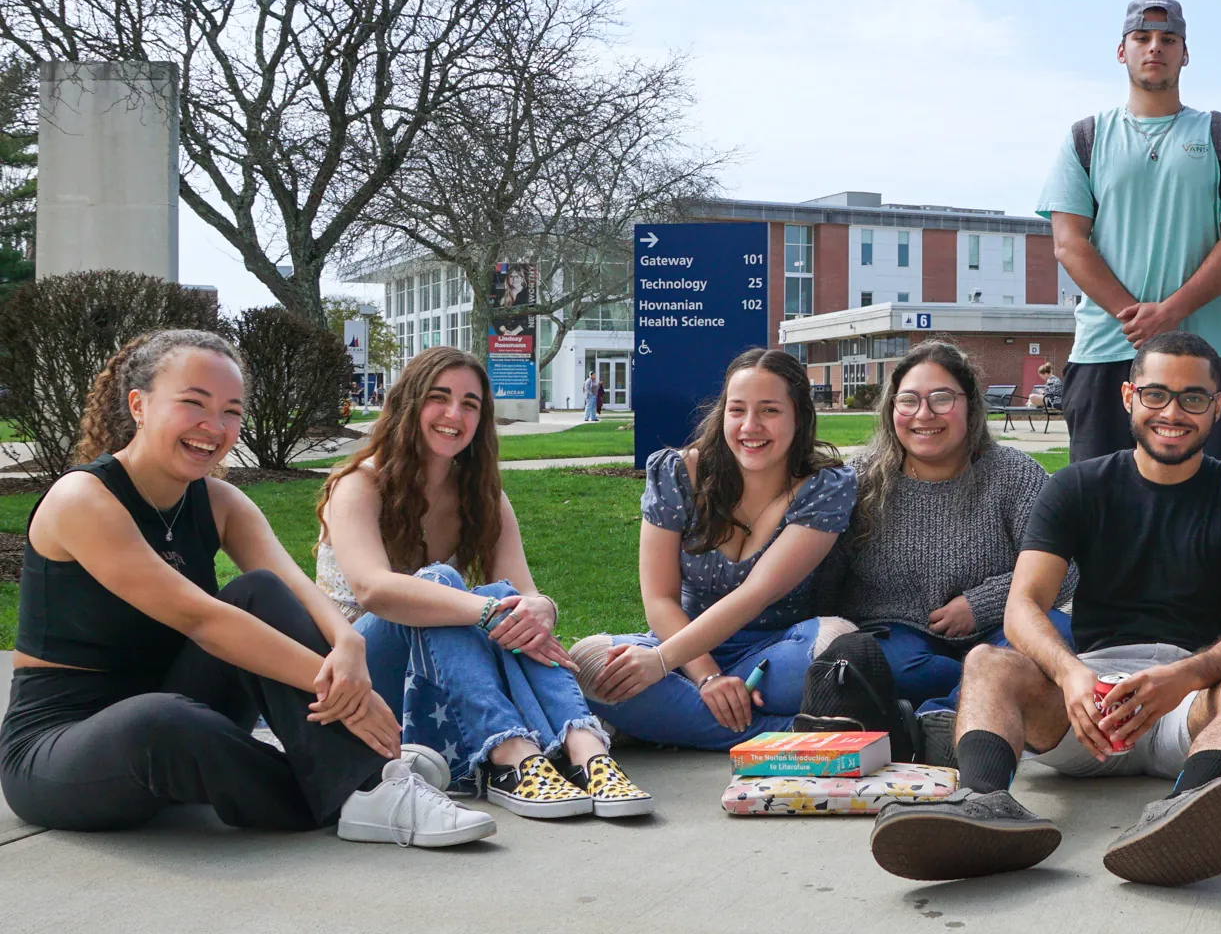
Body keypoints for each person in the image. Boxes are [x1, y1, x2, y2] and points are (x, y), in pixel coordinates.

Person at [0, 329, 493, 848]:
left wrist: (348, 644)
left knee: (257, 591)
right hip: (61, 744)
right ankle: (362, 783)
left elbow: (297, 589)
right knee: (160, 720)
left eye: (232, 411)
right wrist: (351, 696)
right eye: (194, 403)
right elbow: (204, 621)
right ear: (139, 406)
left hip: (178, 702)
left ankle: (365, 779)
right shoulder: (82, 499)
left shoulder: (220, 501)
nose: (214, 427)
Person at [868, 332, 1221, 888]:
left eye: (1193, 398)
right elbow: (1023, 605)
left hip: (1193, 702)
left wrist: (1182, 676)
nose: (1172, 412)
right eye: (1156, 394)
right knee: (987, 663)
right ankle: (983, 803)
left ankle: (1189, 808)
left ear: (1218, 407)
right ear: (1127, 396)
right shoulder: (1077, 487)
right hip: (1093, 699)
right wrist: (1070, 673)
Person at [315, 346, 650, 819]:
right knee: (445, 586)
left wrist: (541, 608)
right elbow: (374, 589)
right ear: (410, 404)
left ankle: (586, 749)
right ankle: (512, 757)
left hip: (435, 677)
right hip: (358, 681)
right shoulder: (360, 485)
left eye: (469, 404)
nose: (454, 414)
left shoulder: (481, 496)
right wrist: (487, 610)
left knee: (507, 601)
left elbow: (523, 592)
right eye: (439, 397)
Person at [567, 348, 857, 750]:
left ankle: (672, 720)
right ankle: (793, 732)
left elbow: (757, 594)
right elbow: (659, 597)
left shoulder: (826, 488)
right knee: (590, 664)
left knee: (839, 648)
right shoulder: (676, 472)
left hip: (777, 653)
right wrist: (706, 675)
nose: (750, 426)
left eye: (770, 410)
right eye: (737, 410)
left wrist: (663, 667)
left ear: (799, 417)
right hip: (681, 649)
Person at [1038, 0, 1221, 471]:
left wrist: (1171, 313)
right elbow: (1069, 242)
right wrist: (1137, 318)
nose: (1154, 48)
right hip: (1106, 352)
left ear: (1185, 52)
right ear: (1122, 51)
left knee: (1217, 513)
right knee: (1101, 510)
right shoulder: (1087, 137)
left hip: (1212, 353)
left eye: (1168, 39)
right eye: (1142, 38)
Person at [810, 342, 1073, 750]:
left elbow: (1067, 570)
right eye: (909, 400)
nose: (924, 414)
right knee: (889, 665)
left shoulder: (1013, 474)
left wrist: (982, 603)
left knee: (1057, 633)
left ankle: (940, 718)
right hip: (898, 638)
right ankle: (993, 699)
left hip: (1002, 629)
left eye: (942, 399)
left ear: (970, 406)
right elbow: (824, 577)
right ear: (891, 409)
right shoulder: (860, 482)